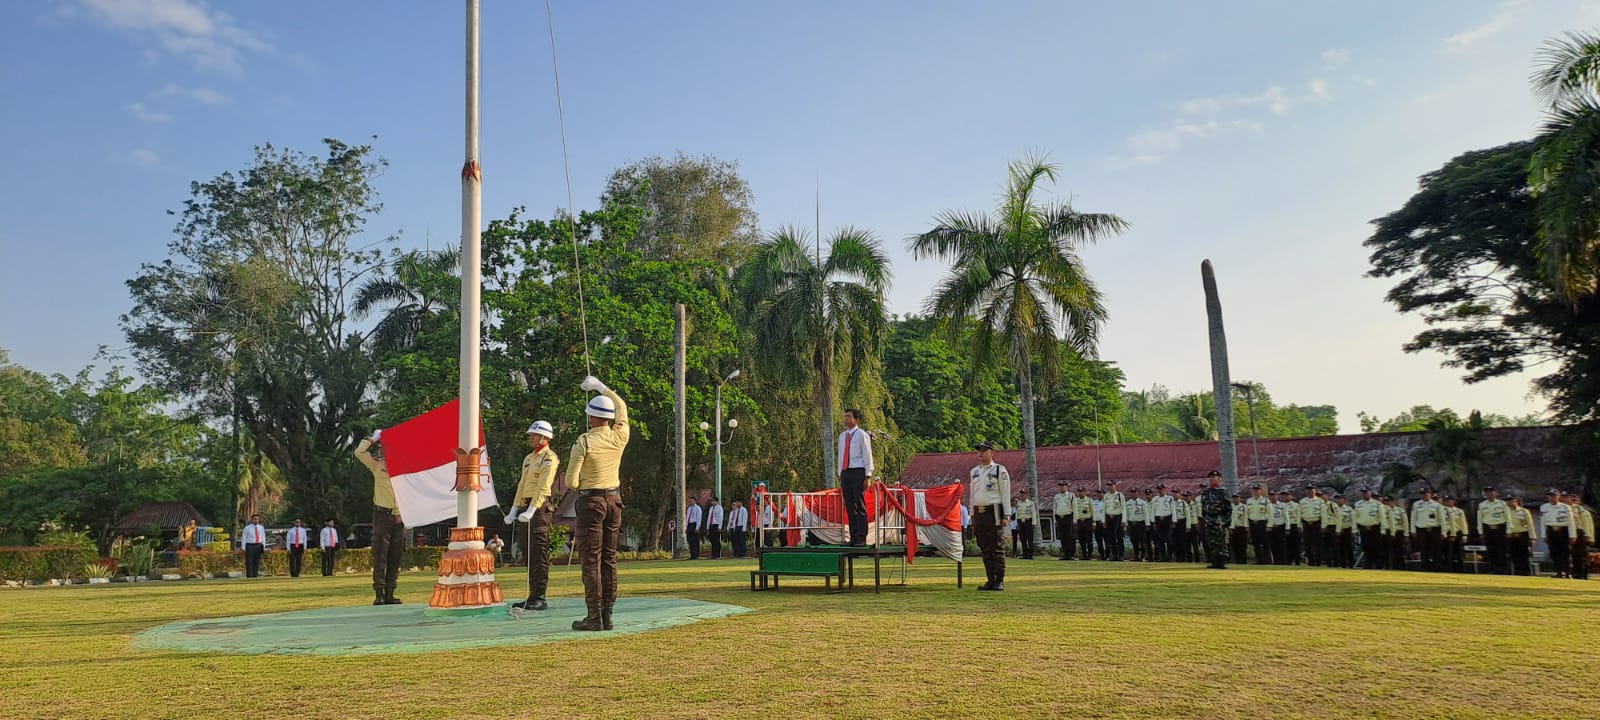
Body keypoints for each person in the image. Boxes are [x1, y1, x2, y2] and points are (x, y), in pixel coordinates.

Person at [568, 375, 629, 631]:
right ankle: (608, 616)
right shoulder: (620, 435)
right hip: (614, 501)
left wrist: (584, 481)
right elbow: (622, 407)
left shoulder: (584, 441)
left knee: (591, 560)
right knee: (609, 559)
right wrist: (601, 386)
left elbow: (571, 481)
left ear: (591, 417)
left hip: (591, 501)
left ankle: (594, 616)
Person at [505, 420, 560, 611]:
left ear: (545, 437)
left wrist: (532, 509)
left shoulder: (549, 457)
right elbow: (522, 485)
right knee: (528, 553)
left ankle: (540, 596)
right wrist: (514, 509)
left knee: (538, 553)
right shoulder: (529, 458)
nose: (531, 438)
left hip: (540, 507)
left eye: (534, 435)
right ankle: (532, 595)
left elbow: (544, 486)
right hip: (527, 506)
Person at [356, 431, 405, 605]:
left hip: (399, 517)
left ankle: (390, 592)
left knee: (395, 556)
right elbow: (359, 453)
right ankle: (379, 593)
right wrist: (373, 438)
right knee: (380, 555)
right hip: (382, 515)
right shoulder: (378, 465)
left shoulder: (404, 467)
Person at [968, 440, 1011, 590]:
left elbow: (1005, 493)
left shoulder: (999, 470)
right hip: (979, 512)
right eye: (979, 450)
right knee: (984, 547)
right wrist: (972, 514)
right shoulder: (974, 472)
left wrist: (1007, 515)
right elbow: (972, 495)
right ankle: (990, 579)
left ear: (992, 452)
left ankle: (999, 580)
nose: (980, 453)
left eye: (984, 450)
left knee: (996, 546)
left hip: (994, 510)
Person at [836, 409, 874, 547]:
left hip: (858, 471)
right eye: (845, 416)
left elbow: (867, 455)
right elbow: (841, 455)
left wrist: (868, 475)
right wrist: (841, 472)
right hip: (846, 471)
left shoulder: (861, 435)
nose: (846, 419)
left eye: (849, 417)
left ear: (856, 419)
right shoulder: (842, 436)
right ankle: (853, 537)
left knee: (859, 505)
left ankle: (862, 538)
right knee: (850, 505)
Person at [1200, 471, 1232, 569]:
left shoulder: (1223, 491)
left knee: (1221, 541)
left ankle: (1222, 562)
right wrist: (1205, 518)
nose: (1212, 479)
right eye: (1211, 477)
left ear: (1219, 479)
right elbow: (1203, 506)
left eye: (1215, 477)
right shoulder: (1206, 492)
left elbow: (1228, 507)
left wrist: (1226, 520)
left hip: (1219, 519)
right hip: (1209, 519)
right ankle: (1214, 561)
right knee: (1211, 541)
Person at [1476, 487, 1510, 574]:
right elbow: (1479, 519)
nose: (1489, 494)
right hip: (1488, 528)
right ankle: (1493, 569)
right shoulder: (1482, 505)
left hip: (1500, 527)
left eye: (1491, 492)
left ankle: (1502, 569)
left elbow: (1508, 517)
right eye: (1487, 493)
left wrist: (1509, 530)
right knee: (1491, 550)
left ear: (1495, 493)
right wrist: (1480, 531)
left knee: (1501, 549)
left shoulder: (1502, 503)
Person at [1540, 490, 1572, 578]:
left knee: (1565, 552)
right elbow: (1543, 522)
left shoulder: (1565, 507)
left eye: (1554, 496)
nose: (1552, 498)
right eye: (1549, 496)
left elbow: (1571, 522)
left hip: (1563, 530)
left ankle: (1567, 572)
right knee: (1554, 552)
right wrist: (1544, 535)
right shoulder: (1544, 507)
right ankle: (1558, 572)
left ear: (1559, 496)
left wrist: (1572, 535)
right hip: (1551, 531)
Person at [1410, 490, 1444, 572]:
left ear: (1430, 494)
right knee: (1424, 549)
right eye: (1422, 494)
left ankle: (1436, 566)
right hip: (1421, 529)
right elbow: (1413, 518)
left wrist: (1444, 531)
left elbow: (1442, 519)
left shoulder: (1436, 505)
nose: (1424, 495)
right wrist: (1413, 530)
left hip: (1434, 528)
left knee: (1435, 548)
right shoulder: (1416, 504)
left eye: (1426, 494)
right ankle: (1424, 566)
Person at [1354, 489, 1385, 569]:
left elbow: (1382, 518)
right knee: (1366, 548)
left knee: (1376, 548)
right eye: (1363, 493)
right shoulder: (1358, 504)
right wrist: (1355, 530)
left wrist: (1383, 530)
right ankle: (1368, 565)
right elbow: (1355, 517)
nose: (1365, 494)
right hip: (1363, 528)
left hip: (1374, 528)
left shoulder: (1377, 504)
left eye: (1366, 493)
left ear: (1370, 493)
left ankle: (1378, 566)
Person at [1506, 496, 1536, 576]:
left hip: (1523, 534)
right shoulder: (1505, 512)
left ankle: (1526, 573)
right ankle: (1517, 572)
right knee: (1514, 555)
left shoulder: (1524, 511)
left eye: (1511, 500)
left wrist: (1532, 537)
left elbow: (1530, 525)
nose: (1509, 502)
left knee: (1524, 555)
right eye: (1507, 501)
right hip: (1511, 536)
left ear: (1516, 501)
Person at [1566, 492, 1592, 581]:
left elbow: (1586, 524)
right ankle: (1574, 573)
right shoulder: (1564, 508)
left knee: (1581, 555)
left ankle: (1582, 574)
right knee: (1572, 554)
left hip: (1580, 532)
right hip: (1569, 532)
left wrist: (1588, 535)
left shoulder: (1580, 510)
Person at [1245, 484, 1273, 565]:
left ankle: (1267, 560)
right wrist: (1247, 525)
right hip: (1253, 523)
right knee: (1256, 543)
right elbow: (1247, 514)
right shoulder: (1249, 501)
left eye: (1257, 489)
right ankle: (1259, 560)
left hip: (1262, 523)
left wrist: (1269, 525)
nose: (1256, 491)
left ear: (1260, 491)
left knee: (1265, 543)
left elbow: (1270, 513)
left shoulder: (1265, 500)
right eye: (1254, 490)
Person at [1298, 486, 1325, 566]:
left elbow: (1324, 515)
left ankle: (1318, 561)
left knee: (1317, 544)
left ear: (1315, 491)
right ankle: (1310, 561)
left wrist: (1323, 526)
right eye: (1309, 490)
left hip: (1316, 524)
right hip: (1306, 524)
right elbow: (1299, 514)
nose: (1310, 492)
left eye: (1312, 490)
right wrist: (1299, 525)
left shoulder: (1320, 501)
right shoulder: (1302, 501)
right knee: (1307, 544)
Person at [1383, 496, 1411, 570]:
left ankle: (1401, 566)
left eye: (1390, 501)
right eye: (1386, 501)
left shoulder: (1400, 511)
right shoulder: (1384, 510)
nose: (1388, 503)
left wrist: (1406, 535)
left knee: (1399, 550)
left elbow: (1405, 523)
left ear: (1394, 502)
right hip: (1388, 531)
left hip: (1399, 531)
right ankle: (1390, 566)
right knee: (1388, 550)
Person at [1441, 496, 1468, 572]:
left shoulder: (1459, 511)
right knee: (1448, 552)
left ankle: (1461, 568)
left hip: (1458, 532)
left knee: (1459, 552)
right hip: (1448, 532)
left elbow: (1463, 523)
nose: (1448, 502)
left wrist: (1465, 535)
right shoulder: (1442, 510)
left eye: (1449, 500)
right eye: (1446, 501)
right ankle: (1448, 569)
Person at [1103, 481, 1126, 561]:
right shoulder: (1106, 496)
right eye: (1108, 485)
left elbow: (1123, 508)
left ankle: (1121, 555)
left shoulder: (1120, 495)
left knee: (1119, 537)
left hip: (1118, 517)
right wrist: (1104, 521)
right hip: (1109, 517)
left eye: (1111, 485)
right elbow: (1104, 509)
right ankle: (1114, 554)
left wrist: (1124, 520)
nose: (1110, 487)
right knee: (1111, 537)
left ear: (1115, 486)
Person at [1053, 482, 1076, 561]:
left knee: (1070, 536)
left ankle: (1071, 554)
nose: (1061, 488)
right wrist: (1055, 517)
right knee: (1062, 536)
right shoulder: (1057, 496)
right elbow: (1054, 507)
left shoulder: (1071, 495)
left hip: (1068, 516)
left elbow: (1074, 508)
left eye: (1063, 486)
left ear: (1066, 487)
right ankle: (1065, 554)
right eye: (1060, 486)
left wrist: (1074, 519)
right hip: (1060, 517)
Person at [1126, 487, 1149, 562]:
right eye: (1132, 492)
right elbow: (1127, 514)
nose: (1133, 494)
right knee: (1134, 541)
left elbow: (1146, 514)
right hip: (1131, 524)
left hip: (1140, 523)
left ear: (1138, 493)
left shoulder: (1142, 502)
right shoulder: (1128, 503)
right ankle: (1136, 556)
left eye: (1135, 492)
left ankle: (1143, 556)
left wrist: (1147, 524)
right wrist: (1126, 523)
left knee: (1142, 541)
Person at [1014, 490, 1037, 560]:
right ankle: (1025, 554)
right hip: (1021, 522)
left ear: (1026, 495)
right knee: (1023, 539)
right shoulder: (1018, 503)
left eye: (1024, 494)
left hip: (1028, 522)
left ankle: (1031, 554)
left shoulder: (1030, 503)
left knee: (1029, 539)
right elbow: (1016, 514)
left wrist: (1034, 523)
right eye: (1021, 494)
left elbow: (1033, 513)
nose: (1022, 496)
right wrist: (1016, 523)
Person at [241, 514, 266, 578]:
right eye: (254, 519)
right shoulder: (247, 528)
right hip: (250, 545)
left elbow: (263, 537)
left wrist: (263, 546)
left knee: (256, 561)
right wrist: (243, 547)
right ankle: (250, 575)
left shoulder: (261, 528)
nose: (256, 520)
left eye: (257, 519)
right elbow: (244, 538)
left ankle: (255, 575)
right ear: (252, 520)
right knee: (249, 561)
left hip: (258, 545)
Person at [1074, 488, 1095, 560]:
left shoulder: (1089, 500)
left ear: (1085, 492)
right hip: (1079, 521)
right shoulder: (1076, 501)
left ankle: (1090, 554)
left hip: (1087, 521)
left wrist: (1094, 522)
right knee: (1081, 539)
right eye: (1079, 492)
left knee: (1089, 539)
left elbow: (1093, 512)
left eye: (1081, 492)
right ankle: (1084, 554)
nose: (1080, 493)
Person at [1229, 493, 1248, 564]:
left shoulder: (1243, 506)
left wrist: (1246, 526)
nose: (1235, 499)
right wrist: (1231, 527)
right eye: (1234, 498)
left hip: (1241, 527)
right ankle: (1237, 560)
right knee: (1234, 545)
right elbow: (1230, 518)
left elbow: (1246, 517)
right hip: (1233, 528)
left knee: (1242, 545)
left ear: (1239, 498)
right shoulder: (1230, 507)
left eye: (1236, 498)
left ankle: (1243, 560)